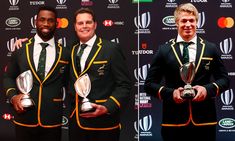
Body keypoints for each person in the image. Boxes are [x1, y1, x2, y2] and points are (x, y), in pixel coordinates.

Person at [144, 3, 230, 141]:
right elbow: (149, 84)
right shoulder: (164, 50)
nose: (188, 24)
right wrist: (171, 93)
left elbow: (225, 80)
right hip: (173, 121)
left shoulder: (210, 48)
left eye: (192, 20)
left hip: (205, 122)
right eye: (184, 20)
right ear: (176, 23)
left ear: (197, 22)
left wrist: (207, 90)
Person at [3, 6, 70, 141]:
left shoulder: (66, 53)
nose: (46, 24)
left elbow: (71, 82)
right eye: (42, 20)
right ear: (35, 22)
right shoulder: (21, 48)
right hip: (24, 118)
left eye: (50, 20)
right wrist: (13, 96)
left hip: (52, 120)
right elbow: (9, 77)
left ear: (56, 24)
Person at [68, 7, 132, 141]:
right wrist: (27, 43)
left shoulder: (111, 49)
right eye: (80, 23)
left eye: (88, 22)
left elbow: (124, 85)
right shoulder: (70, 50)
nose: (84, 26)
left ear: (95, 25)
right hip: (77, 125)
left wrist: (107, 107)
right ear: (74, 26)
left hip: (104, 124)